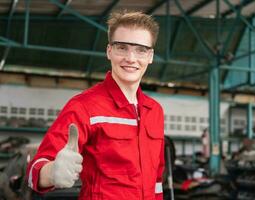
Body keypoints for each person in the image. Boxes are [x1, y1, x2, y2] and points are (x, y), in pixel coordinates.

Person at [26, 10, 165, 200]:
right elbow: (35, 171)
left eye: (140, 49)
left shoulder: (154, 111)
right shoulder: (84, 106)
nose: (131, 58)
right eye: (122, 47)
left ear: (150, 56)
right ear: (109, 51)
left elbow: (157, 180)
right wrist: (51, 173)